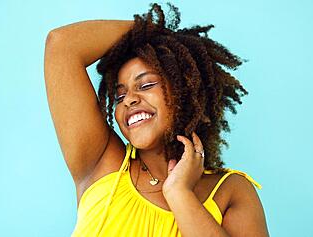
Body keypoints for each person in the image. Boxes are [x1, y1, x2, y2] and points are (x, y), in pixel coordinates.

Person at [44, 2, 269, 236]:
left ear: (185, 88)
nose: (129, 100)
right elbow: (61, 45)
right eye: (120, 96)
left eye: (146, 84)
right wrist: (153, 33)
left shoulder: (230, 191)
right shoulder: (100, 164)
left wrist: (179, 193)